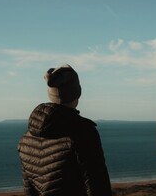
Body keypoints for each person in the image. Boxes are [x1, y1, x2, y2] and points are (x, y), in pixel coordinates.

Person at [18, 64, 112, 196]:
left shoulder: (26, 139)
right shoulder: (83, 131)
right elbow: (97, 186)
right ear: (77, 93)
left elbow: (29, 190)